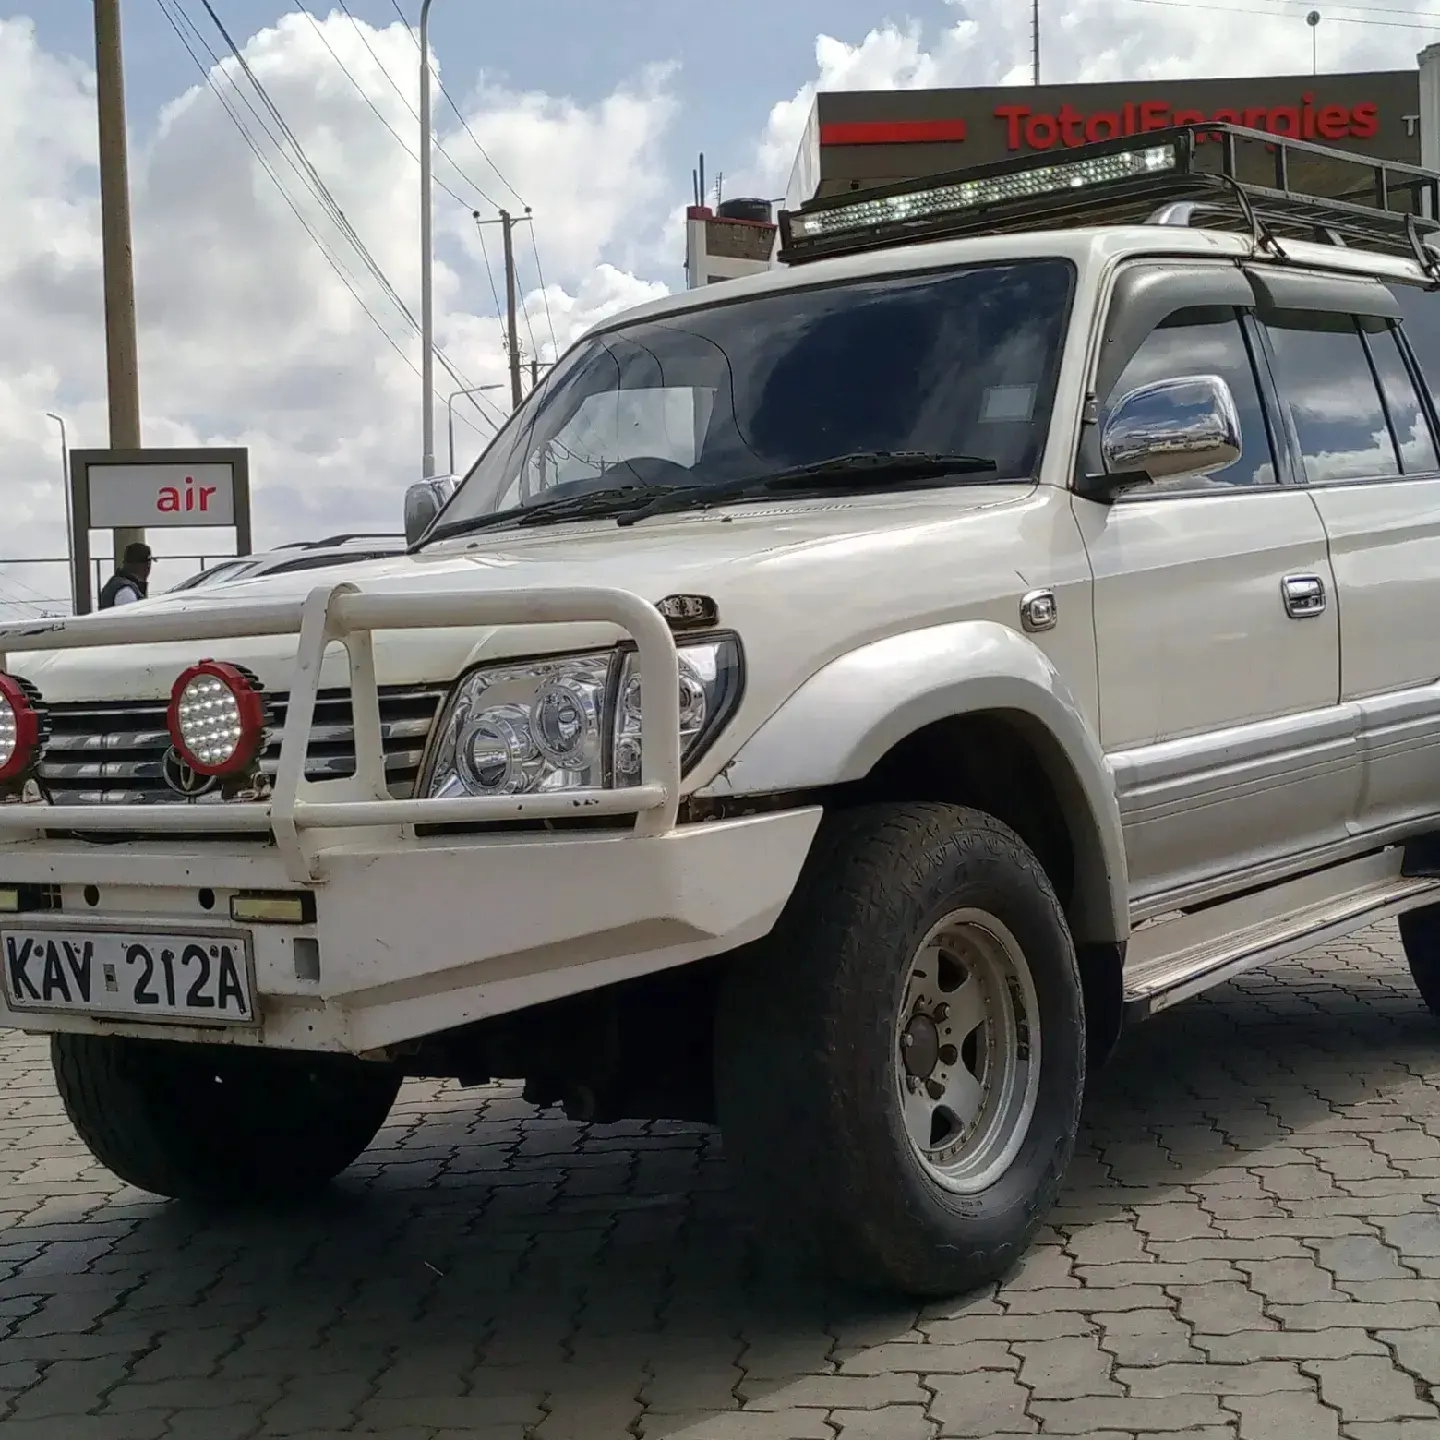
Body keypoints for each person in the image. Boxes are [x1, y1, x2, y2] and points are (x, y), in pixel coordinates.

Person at [98, 543, 153, 610]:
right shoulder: (125, 591)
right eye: (148, 564)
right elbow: (132, 618)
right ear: (146, 566)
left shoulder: (117, 584)